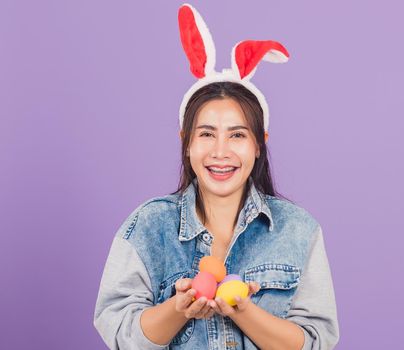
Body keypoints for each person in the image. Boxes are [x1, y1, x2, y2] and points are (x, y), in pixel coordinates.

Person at [93, 3, 339, 350]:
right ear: (187, 142)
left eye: (237, 135)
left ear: (258, 144)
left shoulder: (299, 230)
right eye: (206, 134)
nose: (220, 151)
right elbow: (119, 332)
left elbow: (316, 342)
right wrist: (179, 309)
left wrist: (242, 311)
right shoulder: (149, 225)